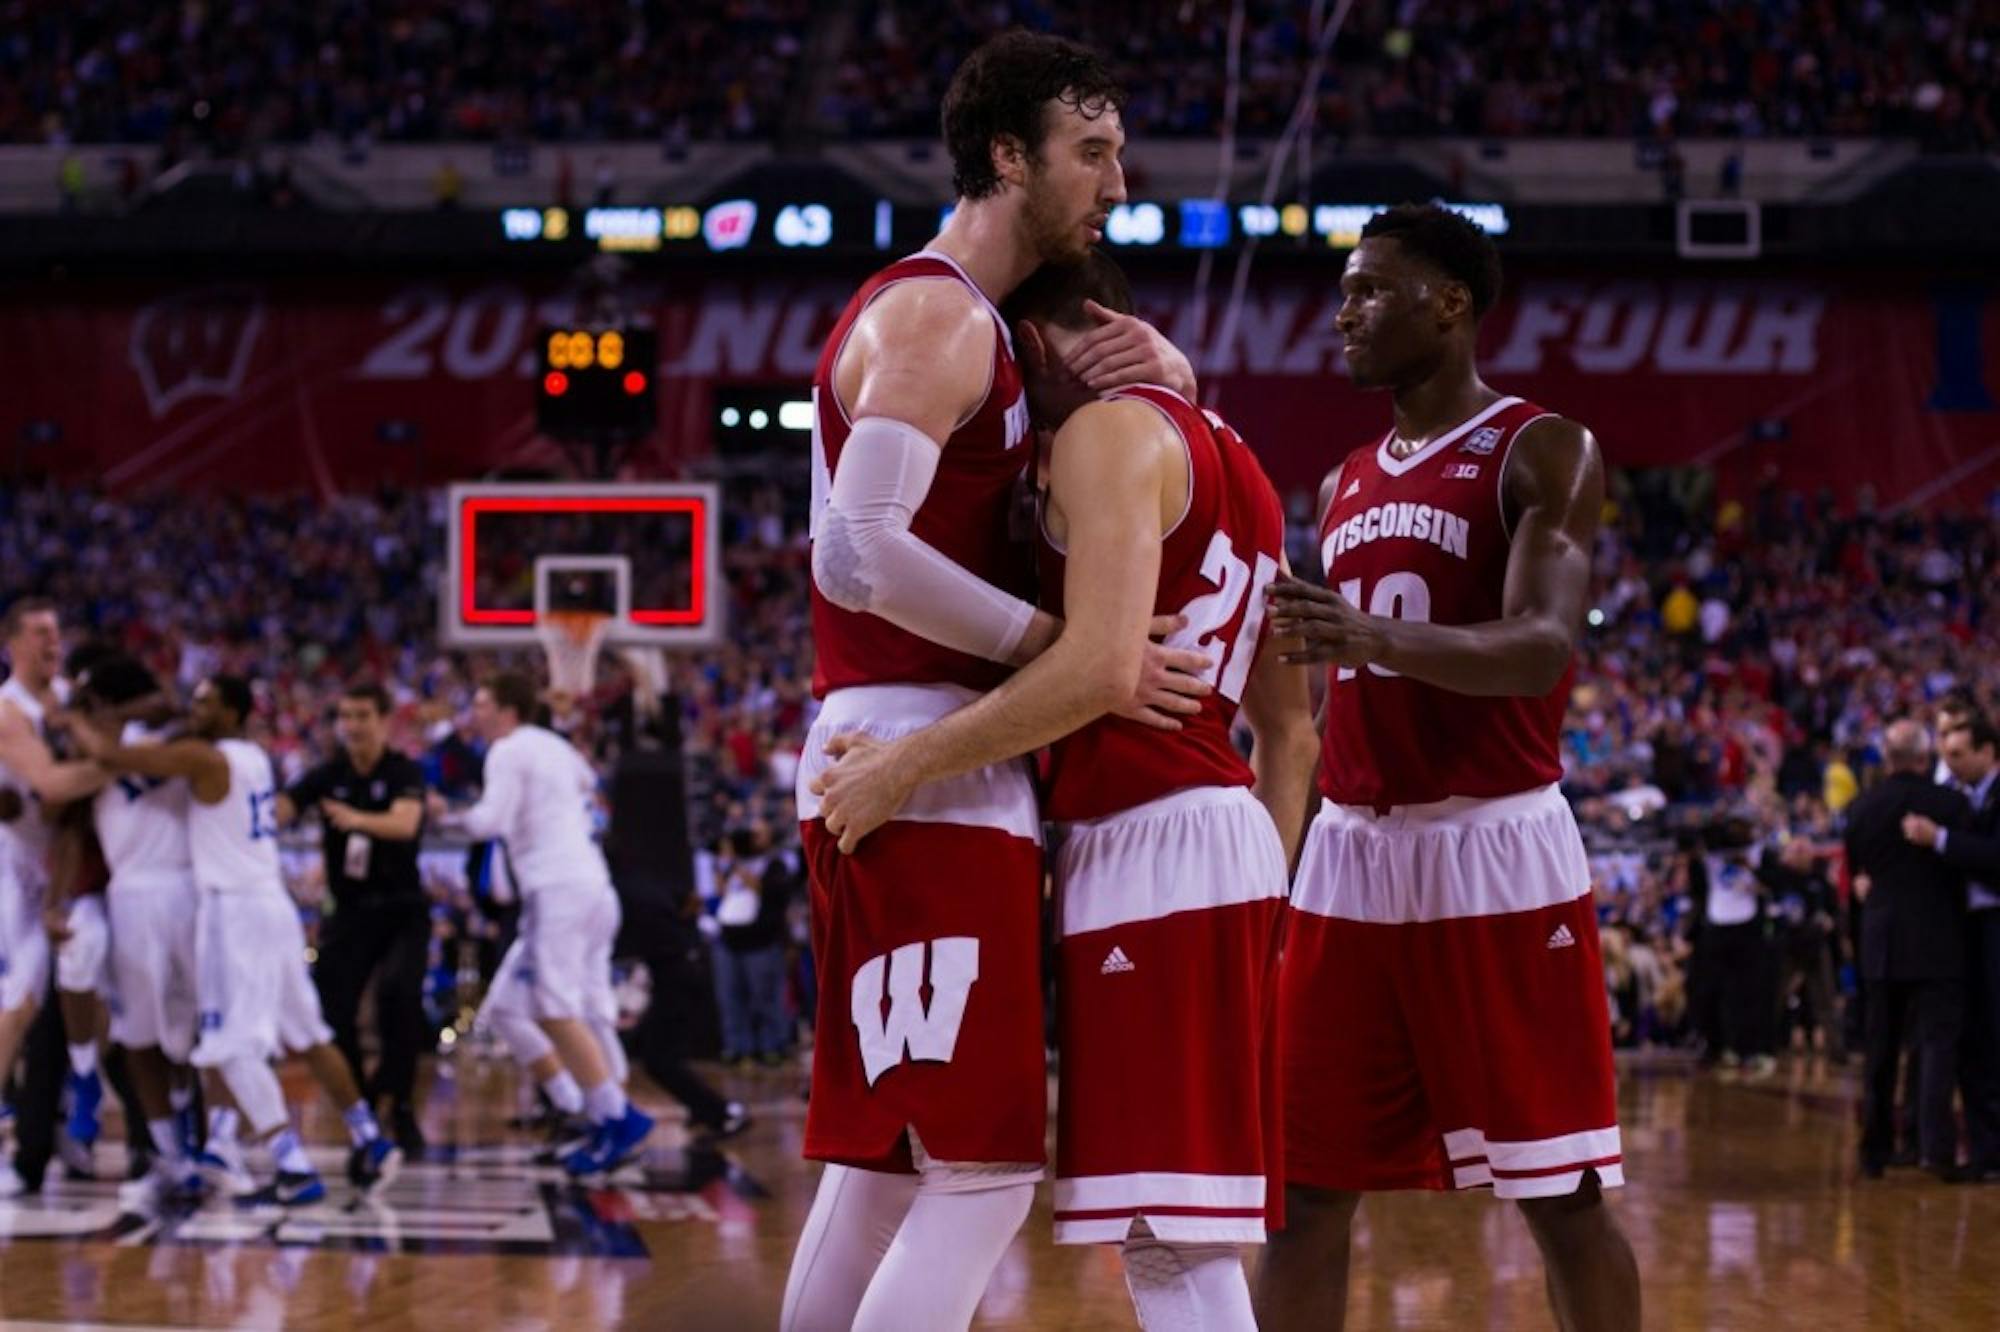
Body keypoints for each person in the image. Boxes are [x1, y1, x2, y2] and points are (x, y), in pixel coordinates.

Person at [781, 31, 1207, 1332]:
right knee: (984, 1170)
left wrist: (1168, 386)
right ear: (1009, 156)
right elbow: (855, 553)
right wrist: (1076, 657)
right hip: (915, 751)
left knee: (886, 1170)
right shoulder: (930, 311)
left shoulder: (994, 328)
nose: (1116, 184)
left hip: (914, 744)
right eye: (1092, 152)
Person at [811, 248, 1318, 1327]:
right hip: (1215, 835)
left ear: (1042, 340)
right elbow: (1290, 728)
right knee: (1167, 1227)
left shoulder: (1104, 436)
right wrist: (1262, 890)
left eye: (1011, 365)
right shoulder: (1243, 464)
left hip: (1152, 835)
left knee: (1166, 1239)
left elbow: (1095, 667)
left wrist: (906, 763)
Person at [1258, 203, 1639, 1331]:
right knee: (1304, 1189)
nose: (1344, 313)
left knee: (1559, 1195)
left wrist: (1371, 638)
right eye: (1341, 291)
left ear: (1449, 304)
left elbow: (1538, 650)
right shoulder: (1340, 484)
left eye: (1370, 290)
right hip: (1350, 853)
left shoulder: (1541, 446)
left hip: (1494, 845)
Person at [67, 675, 401, 1204]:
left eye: (206, 703)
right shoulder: (252, 757)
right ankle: (370, 1137)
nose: (195, 710)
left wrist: (73, 722)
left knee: (228, 1046)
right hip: (273, 905)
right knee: (309, 1034)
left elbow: (117, 756)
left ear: (232, 712)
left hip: (235, 912)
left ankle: (290, 1164)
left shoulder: (208, 758)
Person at [437, 672, 652, 1177]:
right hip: (589, 888)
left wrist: (445, 814)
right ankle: (582, 1109)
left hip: (559, 891)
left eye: (483, 701)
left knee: (556, 1010)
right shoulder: (557, 747)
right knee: (510, 1008)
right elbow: (590, 792)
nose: (475, 713)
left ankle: (617, 1118)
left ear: (508, 710)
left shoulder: (508, 750)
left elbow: (488, 821)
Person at [279, 681, 431, 1155]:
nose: (352, 726)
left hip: (402, 908)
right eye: (345, 716)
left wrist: (355, 818)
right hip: (347, 911)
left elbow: (405, 823)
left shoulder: (403, 770)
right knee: (330, 1009)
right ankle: (360, 1103)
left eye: (363, 715)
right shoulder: (327, 774)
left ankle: (401, 1103)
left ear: (385, 720)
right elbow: (285, 807)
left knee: (399, 995)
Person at [0, 598, 112, 1196]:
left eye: (57, 630)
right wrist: (121, 763)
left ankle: (75, 1120)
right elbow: (47, 787)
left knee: (90, 1000)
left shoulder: (68, 698)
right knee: (18, 1005)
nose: (54, 641)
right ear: (11, 641)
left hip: (74, 871)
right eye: (41, 632)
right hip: (17, 874)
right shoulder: (8, 711)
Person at [1841, 718, 1970, 1180]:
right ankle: (1931, 1148)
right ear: (1924, 757)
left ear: (1888, 759)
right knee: (1934, 1049)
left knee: (1881, 1052)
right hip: (1939, 941)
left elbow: (1855, 882)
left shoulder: (1861, 809)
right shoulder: (1951, 805)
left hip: (1881, 942)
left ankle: (1873, 1150)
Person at [1900, 714, 2000, 1177]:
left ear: (1988, 752)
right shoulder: (1962, 800)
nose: (1950, 765)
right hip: (1969, 928)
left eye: (1958, 755)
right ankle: (1985, 1153)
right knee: (1975, 1039)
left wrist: (1941, 840)